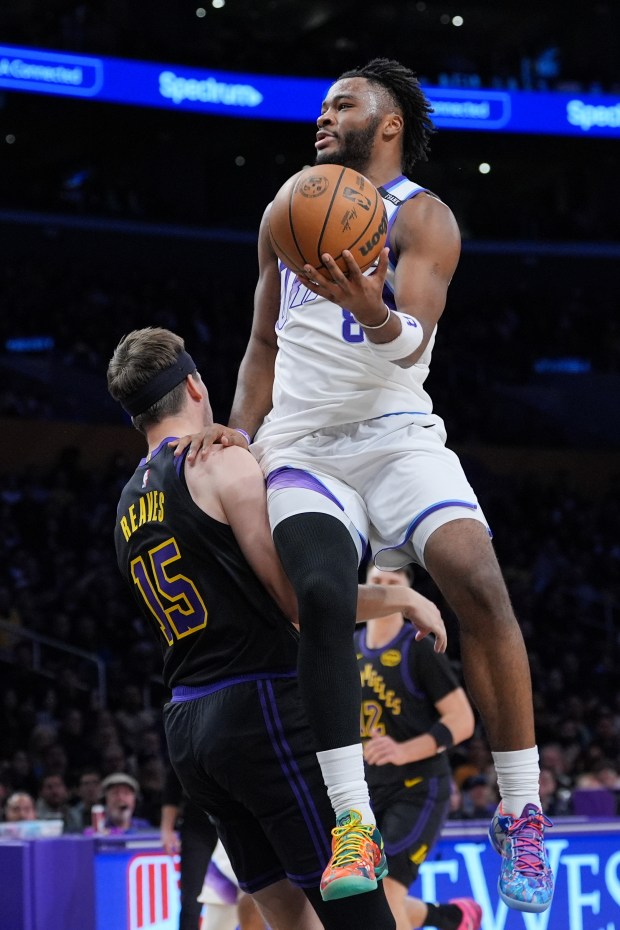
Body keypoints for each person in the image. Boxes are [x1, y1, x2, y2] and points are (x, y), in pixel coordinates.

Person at [174, 57, 554, 913]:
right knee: (316, 587)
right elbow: (263, 342)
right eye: (321, 103)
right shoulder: (287, 205)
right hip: (304, 442)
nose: (322, 114)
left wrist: (371, 304)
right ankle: (353, 821)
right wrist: (234, 422)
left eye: (341, 103)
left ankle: (522, 810)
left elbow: (411, 344)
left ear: (387, 125)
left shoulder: (425, 218)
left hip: (396, 437)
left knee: (479, 580)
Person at [107, 327, 446, 930]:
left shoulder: (128, 502)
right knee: (362, 915)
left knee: (288, 922)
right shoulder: (219, 462)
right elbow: (299, 603)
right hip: (260, 705)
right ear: (194, 385)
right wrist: (399, 603)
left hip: (188, 727)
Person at [357, 564, 481, 930]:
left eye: (392, 584)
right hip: (364, 791)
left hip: (417, 789)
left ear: (407, 595)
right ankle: (453, 918)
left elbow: (462, 720)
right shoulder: (345, 647)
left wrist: (403, 750)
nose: (383, 589)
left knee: (386, 899)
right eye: (376, 582)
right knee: (361, 906)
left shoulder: (419, 647)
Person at [160, 765, 218, 930]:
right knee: (192, 899)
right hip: (198, 828)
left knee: (246, 894)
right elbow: (173, 784)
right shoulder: (187, 740)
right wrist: (166, 829)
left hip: (236, 824)